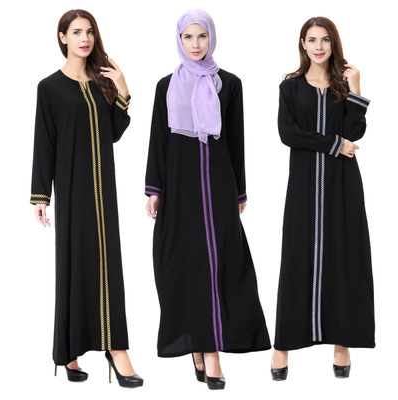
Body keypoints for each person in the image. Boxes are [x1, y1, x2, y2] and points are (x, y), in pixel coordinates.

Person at [145, 9, 271, 390]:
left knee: (223, 265)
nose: (196, 44)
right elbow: (159, 140)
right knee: (183, 266)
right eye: (188, 37)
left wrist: (239, 191)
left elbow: (236, 140)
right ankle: (199, 343)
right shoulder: (166, 86)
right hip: (179, 189)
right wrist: (154, 189)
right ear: (179, 40)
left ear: (211, 38)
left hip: (217, 186)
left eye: (202, 36)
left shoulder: (229, 84)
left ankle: (210, 350)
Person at [30, 9, 143, 388]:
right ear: (62, 37)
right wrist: (41, 194)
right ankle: (69, 352)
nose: (85, 39)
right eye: (76, 32)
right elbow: (44, 142)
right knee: (73, 264)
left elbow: (113, 132)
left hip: (104, 190)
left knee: (108, 263)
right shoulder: (50, 87)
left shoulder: (100, 82)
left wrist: (122, 90)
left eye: (90, 32)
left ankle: (116, 348)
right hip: (72, 189)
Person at [271, 16, 375, 380]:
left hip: (343, 186)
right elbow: (288, 133)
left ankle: (342, 345)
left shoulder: (343, 87)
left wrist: (356, 89)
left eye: (325, 40)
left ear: (333, 44)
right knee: (297, 259)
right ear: (302, 44)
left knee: (344, 259)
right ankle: (282, 346)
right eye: (312, 40)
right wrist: (333, 144)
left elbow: (354, 132)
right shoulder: (290, 87)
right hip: (303, 188)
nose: (318, 46)